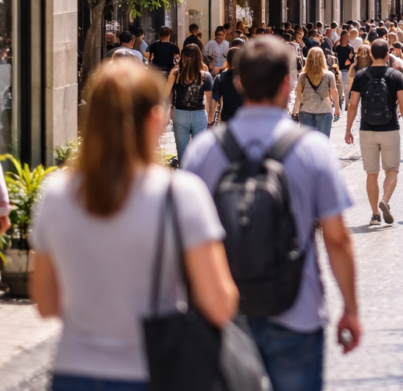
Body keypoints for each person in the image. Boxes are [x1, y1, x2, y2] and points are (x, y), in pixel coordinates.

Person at [31, 62, 237, 391]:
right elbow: (218, 302)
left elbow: (46, 302)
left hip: (74, 370)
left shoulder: (56, 195)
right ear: (155, 119)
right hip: (155, 370)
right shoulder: (180, 195)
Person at [183, 37, 362, 391]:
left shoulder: (203, 150)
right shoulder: (312, 149)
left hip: (224, 315)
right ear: (286, 84)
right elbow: (337, 239)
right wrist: (351, 308)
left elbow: (183, 239)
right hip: (297, 309)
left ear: (238, 83)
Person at [345, 39, 403, 227]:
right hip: (390, 128)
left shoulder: (360, 76)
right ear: (388, 54)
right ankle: (385, 200)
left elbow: (352, 105)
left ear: (372, 55)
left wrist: (348, 128)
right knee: (392, 170)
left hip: (367, 129)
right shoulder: (395, 76)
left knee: (371, 173)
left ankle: (375, 214)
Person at [163, 44, 214, 163]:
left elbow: (165, 94)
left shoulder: (175, 74)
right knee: (200, 154)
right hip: (200, 114)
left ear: (182, 56)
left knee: (182, 155)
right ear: (199, 57)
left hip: (180, 114)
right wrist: (210, 118)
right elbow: (210, 99)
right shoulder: (205, 75)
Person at [291, 47, 340, 137]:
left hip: (306, 111)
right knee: (323, 141)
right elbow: (334, 92)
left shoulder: (302, 76)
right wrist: (337, 108)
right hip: (325, 111)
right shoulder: (329, 75)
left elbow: (298, 95)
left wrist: (295, 110)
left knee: (307, 141)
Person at [211, 48, 244, 124]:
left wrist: (211, 119)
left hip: (226, 119)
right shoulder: (247, 77)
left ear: (227, 60)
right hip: (244, 118)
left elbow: (215, 99)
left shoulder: (220, 77)